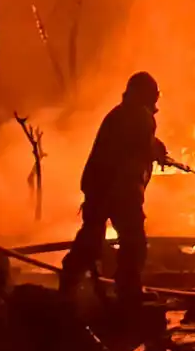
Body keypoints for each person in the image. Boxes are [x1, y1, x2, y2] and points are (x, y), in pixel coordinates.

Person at [61, 72, 171, 304]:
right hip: (120, 190)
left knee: (90, 240)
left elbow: (140, 142)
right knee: (134, 243)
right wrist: (156, 151)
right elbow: (142, 145)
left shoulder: (119, 114)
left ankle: (68, 284)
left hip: (99, 187)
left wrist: (156, 148)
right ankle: (128, 292)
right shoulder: (140, 116)